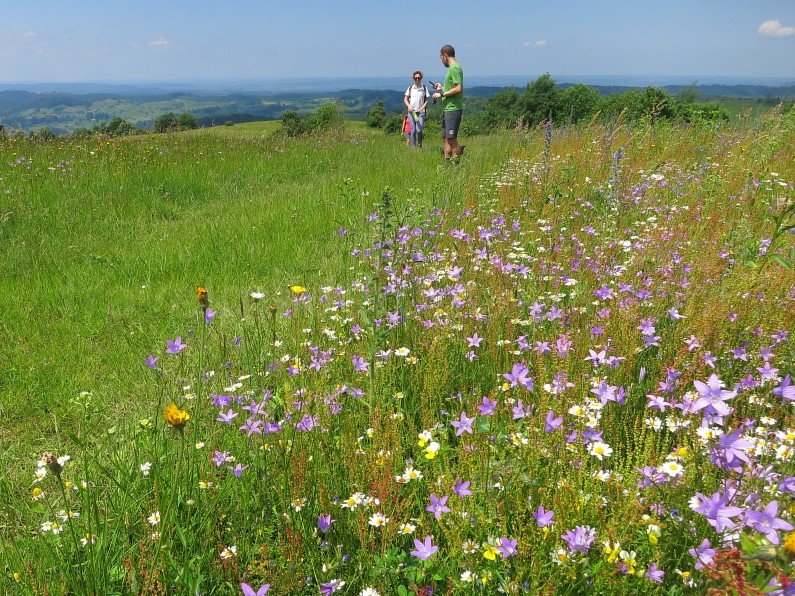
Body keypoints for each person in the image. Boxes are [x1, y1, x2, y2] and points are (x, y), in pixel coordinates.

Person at [431, 44, 464, 163]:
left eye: (441, 58)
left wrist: (441, 94)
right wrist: (441, 88)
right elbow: (452, 88)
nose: (442, 61)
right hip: (448, 108)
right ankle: (447, 164)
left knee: (452, 139)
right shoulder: (452, 69)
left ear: (445, 55)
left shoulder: (455, 68)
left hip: (453, 109)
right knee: (445, 138)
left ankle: (456, 166)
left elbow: (458, 88)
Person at [404, 70, 430, 148]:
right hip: (412, 112)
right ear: (413, 79)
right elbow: (405, 98)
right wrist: (409, 106)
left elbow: (427, 99)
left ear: (421, 78)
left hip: (421, 112)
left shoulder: (424, 88)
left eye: (418, 78)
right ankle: (413, 147)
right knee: (413, 130)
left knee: (419, 130)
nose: (417, 80)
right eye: (415, 78)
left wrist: (422, 108)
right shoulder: (411, 88)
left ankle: (419, 145)